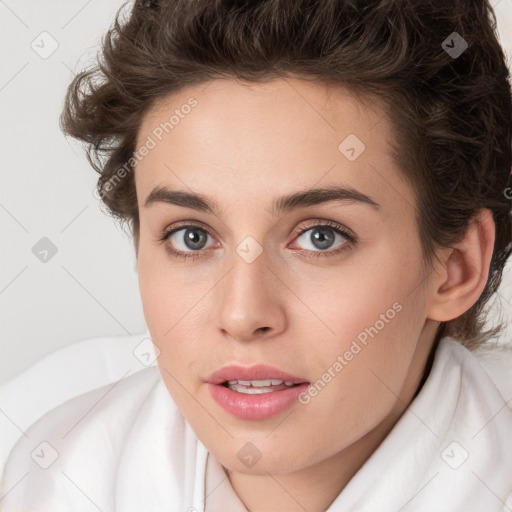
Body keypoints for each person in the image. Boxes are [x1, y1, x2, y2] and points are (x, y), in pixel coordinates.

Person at [1, 0, 512, 510]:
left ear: (455, 268)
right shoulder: (50, 475)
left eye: (321, 237)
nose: (243, 315)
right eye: (191, 237)